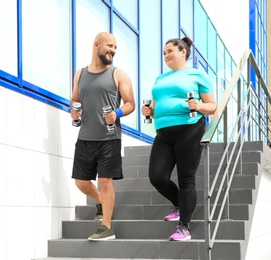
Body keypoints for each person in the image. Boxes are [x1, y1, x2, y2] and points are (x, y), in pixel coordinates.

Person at [141, 36, 217, 241]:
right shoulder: (160, 78)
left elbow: (212, 106)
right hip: (163, 132)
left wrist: (199, 106)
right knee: (157, 177)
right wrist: (149, 110)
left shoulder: (198, 75)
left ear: (183, 52)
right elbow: (159, 105)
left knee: (186, 179)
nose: (166, 55)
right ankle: (178, 204)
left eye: (169, 51)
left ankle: (184, 227)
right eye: (164, 53)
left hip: (189, 128)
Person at [70, 32, 135, 241]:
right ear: (96, 45)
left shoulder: (118, 74)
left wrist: (116, 113)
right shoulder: (80, 74)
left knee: (105, 182)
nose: (113, 50)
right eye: (109, 46)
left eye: (115, 47)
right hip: (85, 137)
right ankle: (101, 201)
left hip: (109, 137)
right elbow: (75, 99)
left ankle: (106, 227)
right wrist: (74, 111)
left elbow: (130, 103)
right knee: (81, 182)